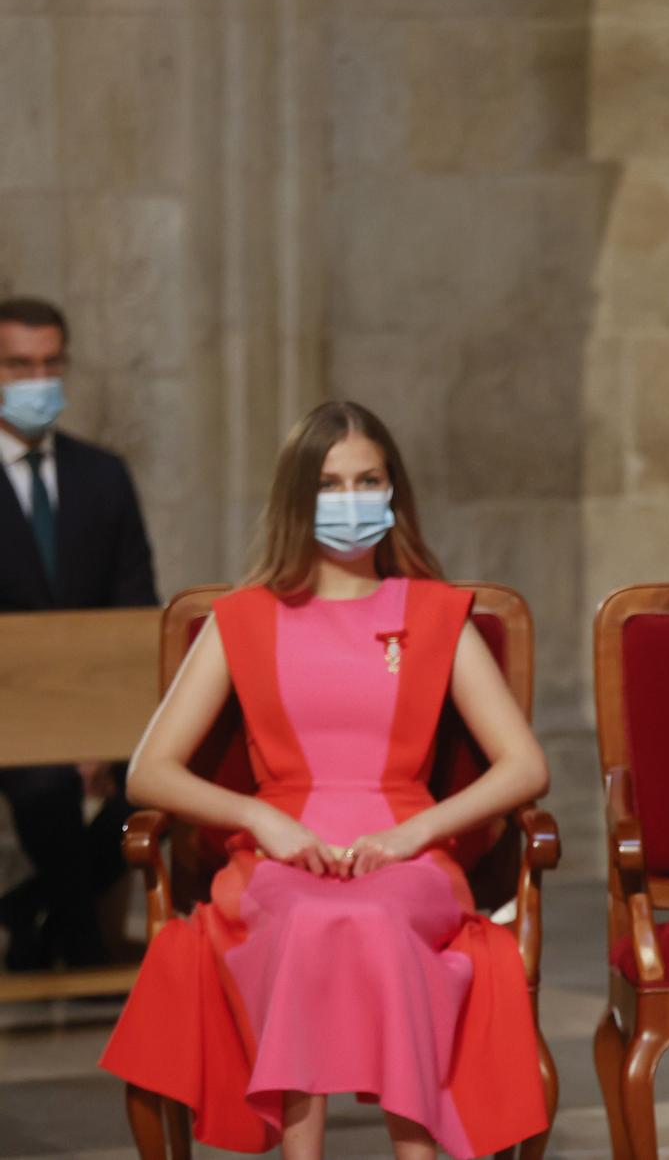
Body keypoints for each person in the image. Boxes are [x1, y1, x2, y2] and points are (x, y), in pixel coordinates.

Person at [98, 400, 549, 1160]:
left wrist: (415, 832)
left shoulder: (439, 615)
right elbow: (149, 770)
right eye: (330, 483)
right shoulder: (240, 618)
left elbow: (525, 764)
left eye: (366, 479)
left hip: (408, 849)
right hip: (278, 852)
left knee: (374, 919)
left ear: (393, 489)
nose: (350, 499)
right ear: (296, 499)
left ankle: (417, 1153)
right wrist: (261, 818)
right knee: (307, 921)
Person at [0, 295, 157, 970]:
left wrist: (95, 729)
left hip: (103, 709)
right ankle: (81, 940)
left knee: (159, 785)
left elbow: (135, 604)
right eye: (18, 364)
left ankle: (29, 912)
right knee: (43, 787)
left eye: (49, 364)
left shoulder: (103, 476)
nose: (37, 381)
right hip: (11, 717)